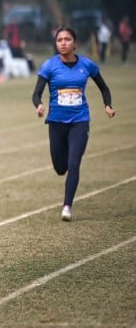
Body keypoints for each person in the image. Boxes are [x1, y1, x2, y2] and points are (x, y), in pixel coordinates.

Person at [31, 27, 116, 222]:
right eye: (59, 40)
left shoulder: (87, 65)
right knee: (60, 168)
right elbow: (36, 93)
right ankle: (65, 180)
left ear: (74, 43)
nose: (63, 43)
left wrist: (107, 105)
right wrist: (39, 105)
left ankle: (67, 206)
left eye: (67, 39)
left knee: (74, 163)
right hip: (56, 122)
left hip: (80, 120)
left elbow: (104, 88)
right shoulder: (49, 66)